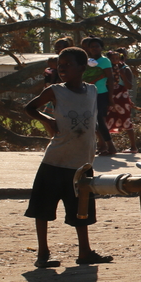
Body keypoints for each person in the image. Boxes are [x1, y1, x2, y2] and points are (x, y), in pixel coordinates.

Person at [24, 46, 112, 267]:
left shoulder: (92, 91)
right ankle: (42, 254)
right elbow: (30, 107)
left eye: (67, 65)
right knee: (43, 209)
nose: (62, 69)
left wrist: (101, 141)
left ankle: (85, 253)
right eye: (60, 66)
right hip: (56, 161)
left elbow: (94, 120)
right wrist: (49, 121)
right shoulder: (55, 91)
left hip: (82, 164)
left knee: (81, 211)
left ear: (82, 67)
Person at [81, 36, 116, 156]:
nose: (94, 48)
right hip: (87, 93)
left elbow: (110, 79)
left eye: (97, 46)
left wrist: (110, 97)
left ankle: (110, 146)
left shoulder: (105, 61)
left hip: (101, 93)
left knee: (100, 120)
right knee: (91, 120)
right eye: (92, 47)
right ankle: (102, 145)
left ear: (101, 48)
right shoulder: (86, 61)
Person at [105, 49, 137, 154]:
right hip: (110, 95)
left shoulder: (125, 68)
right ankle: (107, 146)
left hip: (121, 97)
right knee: (106, 119)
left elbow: (129, 85)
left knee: (126, 119)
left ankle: (133, 147)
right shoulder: (109, 68)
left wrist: (122, 75)